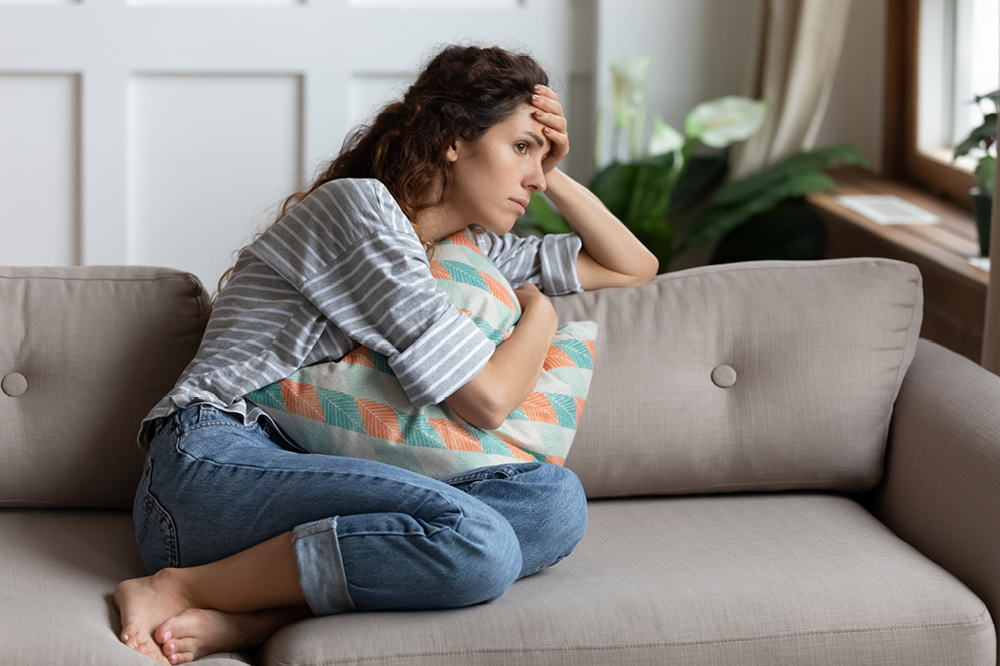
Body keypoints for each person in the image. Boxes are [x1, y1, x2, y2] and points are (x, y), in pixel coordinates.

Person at [114, 44, 659, 664]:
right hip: (211, 467)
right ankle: (180, 585)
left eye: (540, 156)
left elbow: (634, 266)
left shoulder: (464, 249)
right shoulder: (363, 211)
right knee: (480, 544)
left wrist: (553, 169)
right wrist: (544, 313)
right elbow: (487, 400)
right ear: (455, 139)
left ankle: (261, 615)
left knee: (552, 504)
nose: (533, 177)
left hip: (307, 471)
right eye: (520, 149)